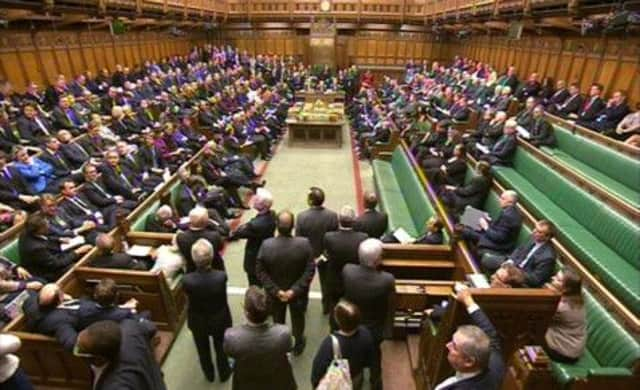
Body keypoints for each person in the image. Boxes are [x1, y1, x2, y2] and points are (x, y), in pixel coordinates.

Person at [256, 210, 315, 355]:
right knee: (298, 319)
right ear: (293, 226)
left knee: (278, 320)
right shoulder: (304, 244)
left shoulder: (266, 245)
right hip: (297, 294)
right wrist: (294, 290)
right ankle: (298, 345)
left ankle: (280, 345)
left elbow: (260, 272)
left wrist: (276, 291)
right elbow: (310, 270)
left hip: (275, 295)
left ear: (276, 225)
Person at [342, 238, 395, 390]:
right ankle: (375, 383)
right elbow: (391, 304)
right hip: (375, 329)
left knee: (352, 356)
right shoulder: (387, 280)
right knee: (375, 359)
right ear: (378, 259)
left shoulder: (347, 270)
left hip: (352, 324)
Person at [223, 286, 297, 390]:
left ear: (246, 312)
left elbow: (229, 353)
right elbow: (290, 347)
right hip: (278, 381)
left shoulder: (232, 336)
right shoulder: (283, 333)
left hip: (247, 383)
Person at [433, 285, 505, 390]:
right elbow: (490, 332)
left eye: (454, 346)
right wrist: (468, 300)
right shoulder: (495, 361)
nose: (447, 345)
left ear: (469, 362)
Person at [183, 239, 232, 383]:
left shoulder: (187, 280)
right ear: (212, 257)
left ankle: (209, 374)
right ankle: (224, 373)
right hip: (219, 317)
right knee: (221, 347)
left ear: (193, 259)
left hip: (198, 320)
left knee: (202, 349)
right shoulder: (221, 276)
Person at [73, 319, 166, 390]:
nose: (76, 347)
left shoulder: (116, 385)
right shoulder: (130, 328)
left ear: (98, 359)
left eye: (78, 351)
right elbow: (150, 327)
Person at [311, 300, 374, 390]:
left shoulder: (330, 343)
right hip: (356, 376)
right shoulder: (366, 333)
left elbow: (318, 369)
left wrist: (316, 384)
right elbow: (369, 360)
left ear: (338, 321)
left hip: (337, 382)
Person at [295, 187, 338, 314]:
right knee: (326, 284)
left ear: (310, 201)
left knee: (304, 283)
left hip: (307, 256)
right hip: (325, 257)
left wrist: (310, 258)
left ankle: (303, 306)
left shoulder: (302, 217)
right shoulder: (332, 216)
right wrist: (322, 256)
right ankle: (327, 308)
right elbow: (333, 239)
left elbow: (299, 240)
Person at [323, 206, 368, 323]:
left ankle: (334, 327)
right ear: (354, 221)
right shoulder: (363, 238)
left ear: (339, 220)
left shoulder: (329, 237)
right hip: (354, 279)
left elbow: (327, 254)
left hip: (335, 279)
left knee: (334, 304)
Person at [480, 220, 556, 287]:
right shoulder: (533, 237)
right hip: (513, 264)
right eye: (535, 228)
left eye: (539, 232)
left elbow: (536, 279)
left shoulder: (548, 257)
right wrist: (510, 261)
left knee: (501, 276)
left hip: (522, 277)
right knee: (487, 260)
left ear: (547, 237)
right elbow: (519, 250)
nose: (534, 232)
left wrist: (516, 273)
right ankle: (488, 282)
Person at [18, 214, 92, 282]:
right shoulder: (36, 248)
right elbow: (56, 264)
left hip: (51, 255)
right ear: (39, 230)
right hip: (47, 272)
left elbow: (44, 238)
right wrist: (77, 252)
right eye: (46, 226)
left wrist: (58, 239)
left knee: (82, 246)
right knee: (77, 265)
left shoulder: (27, 232)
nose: (48, 226)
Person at [229, 188, 277, 286]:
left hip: (255, 258)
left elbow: (237, 232)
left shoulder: (255, 225)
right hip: (267, 253)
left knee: (255, 285)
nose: (254, 198)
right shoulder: (272, 215)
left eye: (257, 198)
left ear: (261, 205)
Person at [458, 190, 522, 257]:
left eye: (503, 198)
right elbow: (499, 227)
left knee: (463, 230)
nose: (499, 200)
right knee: (469, 215)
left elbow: (499, 238)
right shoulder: (511, 211)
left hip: (498, 245)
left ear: (510, 202)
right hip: (493, 235)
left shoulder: (508, 216)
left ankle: (465, 256)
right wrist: (488, 219)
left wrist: (486, 227)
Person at [543, 268, 587, 363]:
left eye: (558, 279)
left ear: (566, 288)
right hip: (573, 347)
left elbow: (539, 316)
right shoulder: (577, 298)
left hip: (563, 351)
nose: (552, 278)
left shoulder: (562, 307)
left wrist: (548, 290)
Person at [176, 207, 224, 272]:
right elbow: (220, 247)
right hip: (215, 268)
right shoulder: (214, 235)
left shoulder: (180, 237)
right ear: (207, 221)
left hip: (193, 270)